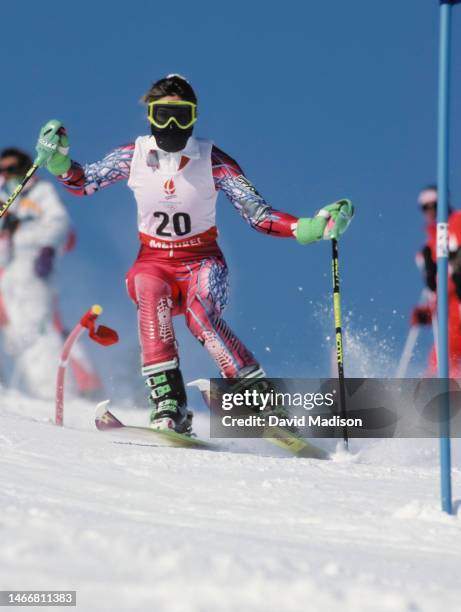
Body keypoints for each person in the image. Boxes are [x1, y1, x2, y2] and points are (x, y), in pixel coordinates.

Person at [35, 73, 354, 433]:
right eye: (162, 115)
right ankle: (169, 404)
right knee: (146, 286)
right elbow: (86, 181)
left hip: (202, 261)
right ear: (150, 117)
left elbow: (257, 214)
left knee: (199, 316)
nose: (171, 125)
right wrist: (59, 160)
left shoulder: (213, 161)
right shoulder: (134, 155)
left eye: (181, 116)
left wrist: (307, 227)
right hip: (154, 260)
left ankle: (260, 401)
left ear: (195, 118)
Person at [0, 148, 101, 397]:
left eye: (12, 169)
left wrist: (46, 248)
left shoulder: (40, 192)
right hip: (7, 269)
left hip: (31, 262)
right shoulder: (4, 197)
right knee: (15, 334)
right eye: (2, 171)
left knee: (35, 326)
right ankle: (44, 387)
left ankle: (61, 390)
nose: (7, 175)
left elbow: (59, 222)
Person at [413, 185, 461, 376]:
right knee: (439, 363)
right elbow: (439, 290)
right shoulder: (430, 246)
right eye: (425, 207)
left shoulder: (458, 223)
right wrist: (427, 312)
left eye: (435, 204)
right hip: (451, 315)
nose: (431, 209)